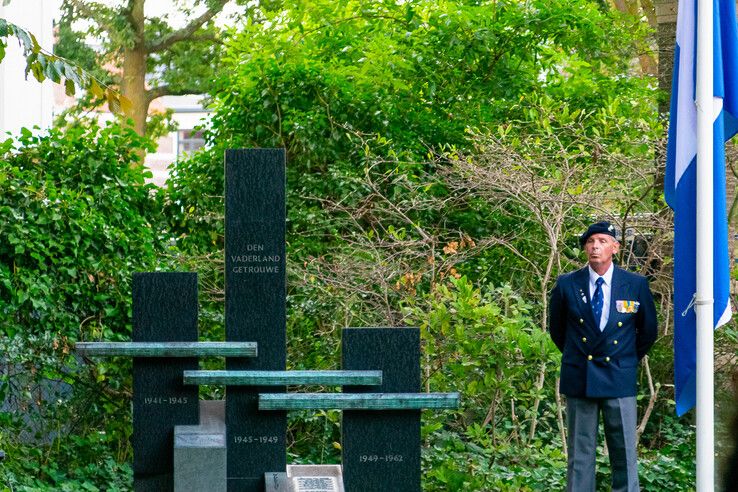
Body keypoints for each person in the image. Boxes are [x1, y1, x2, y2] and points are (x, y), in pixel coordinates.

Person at [548, 221, 657, 492]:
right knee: (580, 455)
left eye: (602, 241)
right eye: (591, 241)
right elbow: (557, 331)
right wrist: (581, 356)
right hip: (580, 376)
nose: (596, 246)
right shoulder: (566, 284)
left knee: (624, 455)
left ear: (615, 247)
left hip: (619, 376)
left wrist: (624, 358)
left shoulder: (635, 284)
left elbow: (648, 332)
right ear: (585, 247)